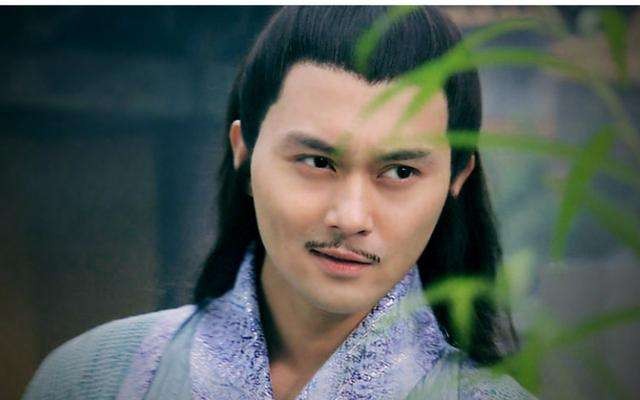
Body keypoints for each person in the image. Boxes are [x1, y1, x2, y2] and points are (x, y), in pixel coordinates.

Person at [23, 6, 535, 400]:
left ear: (456, 179)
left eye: (400, 171)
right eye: (317, 161)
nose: (350, 218)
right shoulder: (91, 378)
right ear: (244, 153)